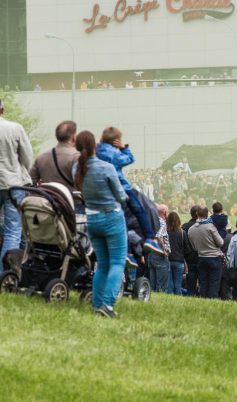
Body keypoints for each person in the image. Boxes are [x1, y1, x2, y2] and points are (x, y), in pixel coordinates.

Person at [71, 130, 126, 318]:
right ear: (95, 147)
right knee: (117, 263)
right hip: (112, 217)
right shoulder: (106, 167)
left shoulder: (76, 170)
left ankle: (97, 305)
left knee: (102, 264)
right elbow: (121, 195)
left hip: (91, 219)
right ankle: (107, 305)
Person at [95, 127, 161, 255]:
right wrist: (123, 147)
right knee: (140, 210)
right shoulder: (114, 153)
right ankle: (150, 238)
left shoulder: (96, 152)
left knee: (122, 218)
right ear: (116, 140)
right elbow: (129, 159)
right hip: (123, 187)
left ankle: (127, 251)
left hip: (106, 190)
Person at [0, 97, 33, 263]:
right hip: (12, 184)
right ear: (2, 110)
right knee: (13, 231)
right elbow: (28, 159)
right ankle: (6, 274)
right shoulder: (15, 128)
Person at [187, 206, 225, 298]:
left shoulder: (191, 229)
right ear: (207, 214)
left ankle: (203, 300)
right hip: (214, 258)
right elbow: (221, 243)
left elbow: (194, 247)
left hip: (201, 258)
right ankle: (212, 301)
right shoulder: (210, 227)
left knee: (203, 283)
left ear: (197, 214)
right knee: (214, 283)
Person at [28, 120, 79, 189]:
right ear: (74, 137)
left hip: (47, 198)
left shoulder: (41, 157)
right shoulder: (77, 156)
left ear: (56, 136)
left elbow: (30, 181)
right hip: (71, 198)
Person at [147, 204, 171, 293]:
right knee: (161, 286)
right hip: (159, 255)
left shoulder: (152, 222)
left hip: (151, 254)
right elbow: (158, 236)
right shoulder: (162, 222)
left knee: (153, 286)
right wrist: (164, 250)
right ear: (165, 212)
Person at [181, 206, 200, 295]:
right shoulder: (202, 226)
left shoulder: (185, 226)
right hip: (200, 256)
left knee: (191, 281)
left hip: (189, 258)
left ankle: (191, 294)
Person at [165, 211, 185, 295]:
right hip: (179, 261)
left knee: (169, 285)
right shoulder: (182, 233)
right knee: (178, 285)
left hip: (167, 260)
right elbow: (186, 248)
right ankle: (178, 301)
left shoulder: (165, 232)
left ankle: (169, 301)